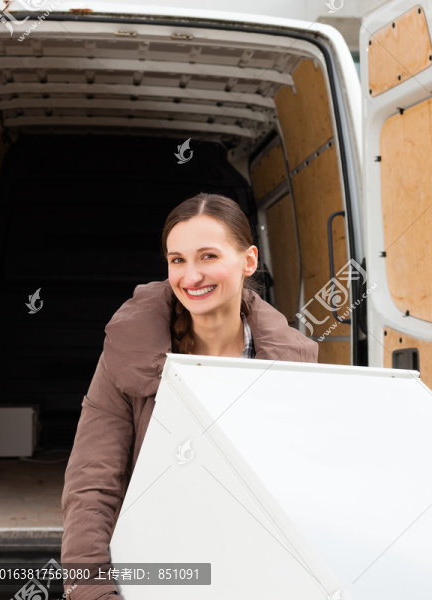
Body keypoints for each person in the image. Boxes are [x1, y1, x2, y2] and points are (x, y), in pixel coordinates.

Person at [61, 193, 318, 600]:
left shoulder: (291, 367)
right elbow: (92, 487)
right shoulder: (126, 357)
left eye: (208, 256)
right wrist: (92, 591)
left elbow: (306, 496)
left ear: (249, 261)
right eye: (177, 260)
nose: (191, 276)